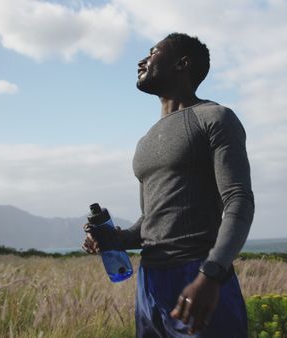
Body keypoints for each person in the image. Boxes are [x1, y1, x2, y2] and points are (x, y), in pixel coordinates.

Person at [82, 32, 254, 338]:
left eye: (152, 52)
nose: (141, 60)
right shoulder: (145, 141)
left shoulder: (215, 118)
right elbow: (150, 222)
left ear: (181, 64)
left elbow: (238, 200)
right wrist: (115, 238)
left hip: (198, 275)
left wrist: (212, 274)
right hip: (149, 283)